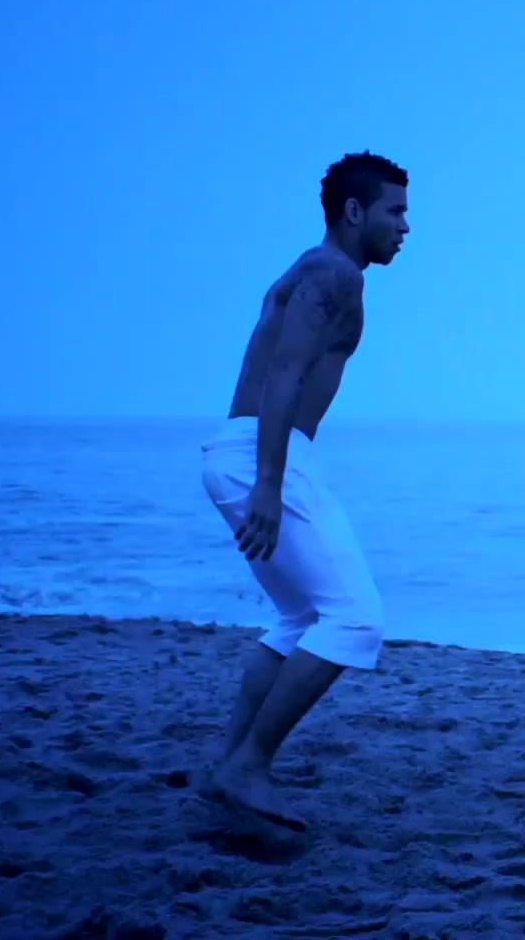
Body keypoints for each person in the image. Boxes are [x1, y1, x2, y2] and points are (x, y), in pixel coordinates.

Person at [196, 150, 411, 830]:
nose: (406, 227)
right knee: (355, 618)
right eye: (395, 212)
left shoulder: (325, 271)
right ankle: (248, 766)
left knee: (300, 618)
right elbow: (284, 373)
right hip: (265, 454)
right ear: (354, 211)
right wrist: (269, 482)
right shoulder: (331, 272)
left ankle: (228, 768)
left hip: (263, 452)